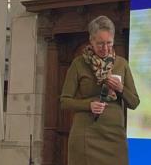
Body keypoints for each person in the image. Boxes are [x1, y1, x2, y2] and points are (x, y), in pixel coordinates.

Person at [59, 16, 140, 165]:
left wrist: (120, 88)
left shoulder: (122, 64)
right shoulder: (78, 64)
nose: (105, 48)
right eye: (100, 44)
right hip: (86, 136)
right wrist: (88, 105)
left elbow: (134, 102)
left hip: (115, 137)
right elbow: (64, 102)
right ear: (91, 41)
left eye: (109, 43)